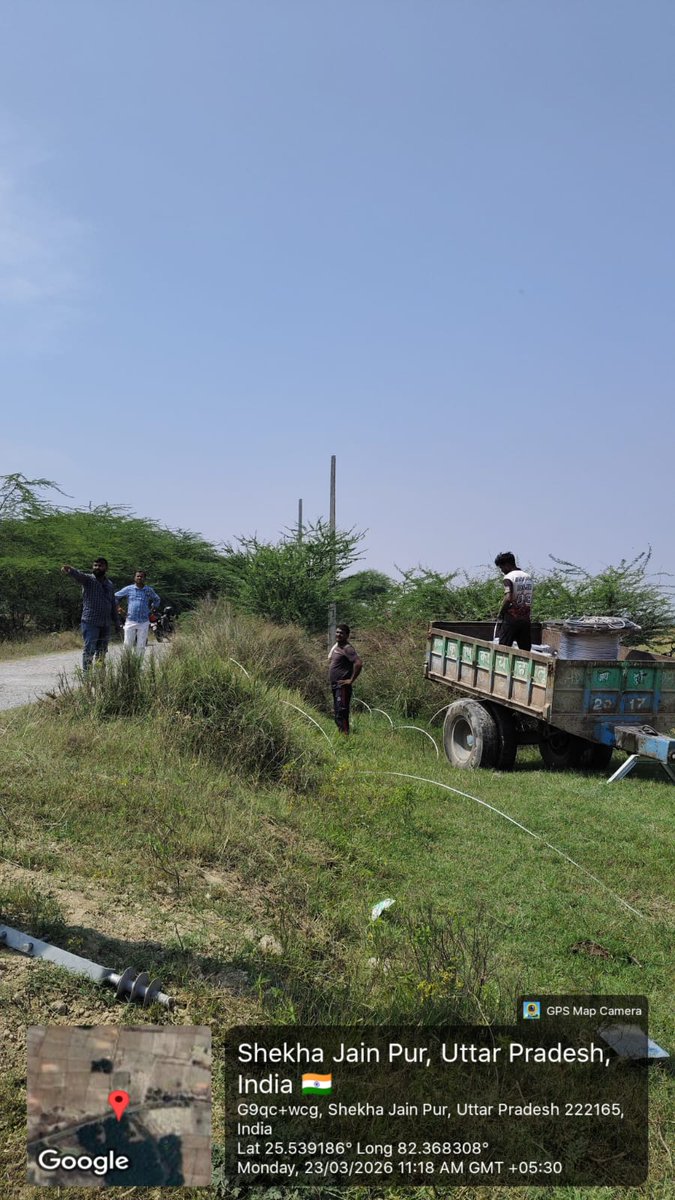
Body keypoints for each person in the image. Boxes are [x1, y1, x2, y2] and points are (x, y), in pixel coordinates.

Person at [61, 557, 121, 671]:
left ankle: (100, 676)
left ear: (106, 568)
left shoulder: (109, 584)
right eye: (95, 565)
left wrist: (117, 623)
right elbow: (79, 575)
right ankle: (87, 678)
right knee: (89, 649)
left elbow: (113, 603)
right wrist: (70, 570)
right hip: (90, 621)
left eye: (100, 565)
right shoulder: (88, 580)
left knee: (102, 651)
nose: (97, 568)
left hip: (105, 623)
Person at [494, 551, 533, 651]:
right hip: (525, 618)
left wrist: (501, 613)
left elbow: (508, 598)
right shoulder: (528, 577)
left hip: (511, 619)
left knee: (503, 650)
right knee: (525, 650)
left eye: (501, 568)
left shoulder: (509, 577)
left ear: (507, 565)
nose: (502, 571)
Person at [114, 570, 161, 654]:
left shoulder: (148, 590)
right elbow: (115, 597)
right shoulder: (129, 589)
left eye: (141, 576)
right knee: (127, 645)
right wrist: (118, 608)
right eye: (138, 576)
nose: (139, 578)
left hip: (144, 621)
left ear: (144, 579)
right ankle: (127, 665)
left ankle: (138, 665)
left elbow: (157, 599)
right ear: (134, 578)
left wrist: (153, 609)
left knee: (141, 646)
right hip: (130, 620)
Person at [328, 624, 363, 734]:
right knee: (337, 711)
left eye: (341, 633)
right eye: (337, 632)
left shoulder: (348, 649)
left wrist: (351, 680)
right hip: (335, 685)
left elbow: (358, 664)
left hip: (342, 686)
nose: (338, 634)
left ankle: (345, 736)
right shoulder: (337, 647)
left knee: (342, 711)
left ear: (347, 635)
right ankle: (341, 734)